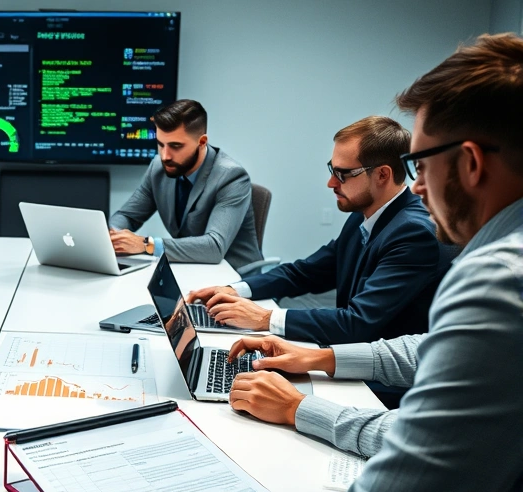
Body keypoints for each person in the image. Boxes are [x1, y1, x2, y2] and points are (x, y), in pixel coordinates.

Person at [219, 33, 523, 492]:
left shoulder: (496, 282)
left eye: (422, 162)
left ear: (472, 164)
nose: (419, 184)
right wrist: (312, 371)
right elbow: (425, 361)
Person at [188, 116, 452, 346]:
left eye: (342, 174)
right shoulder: (365, 214)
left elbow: (358, 323)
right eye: (331, 170)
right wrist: (236, 290)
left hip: (379, 383)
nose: (331, 183)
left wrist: (265, 318)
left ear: (382, 175)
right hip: (349, 353)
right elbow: (306, 272)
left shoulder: (413, 233)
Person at [108, 99, 262, 270]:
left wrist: (147, 244)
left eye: (176, 146)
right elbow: (128, 216)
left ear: (202, 142)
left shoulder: (231, 176)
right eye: (160, 144)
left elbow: (214, 247)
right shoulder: (158, 168)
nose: (165, 156)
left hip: (233, 277)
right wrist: (113, 236)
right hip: (187, 269)